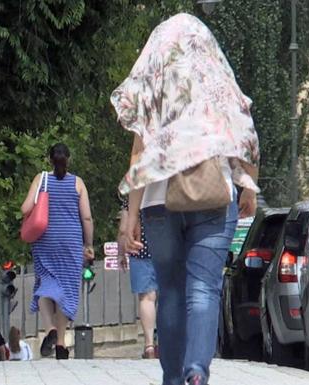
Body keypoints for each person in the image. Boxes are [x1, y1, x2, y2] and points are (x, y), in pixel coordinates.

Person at [111, 13, 260, 385]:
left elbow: (138, 154)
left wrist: (130, 216)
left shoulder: (154, 85)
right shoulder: (217, 83)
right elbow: (246, 134)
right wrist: (248, 187)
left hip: (158, 204)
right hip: (213, 195)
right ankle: (197, 371)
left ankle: (173, 380)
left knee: (170, 288)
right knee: (204, 288)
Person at [21, 143, 94, 360]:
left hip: (45, 240)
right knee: (66, 290)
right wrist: (88, 245)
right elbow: (87, 218)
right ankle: (61, 344)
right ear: (68, 159)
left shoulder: (41, 179)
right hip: (71, 243)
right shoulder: (78, 183)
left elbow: (25, 208)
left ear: (49, 159)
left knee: (45, 284)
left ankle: (50, 329)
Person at [117, 197, 158, 359]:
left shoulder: (134, 194)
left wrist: (121, 252)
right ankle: (167, 344)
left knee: (147, 298)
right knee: (169, 297)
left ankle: (149, 346)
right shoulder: (169, 182)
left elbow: (123, 228)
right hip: (169, 247)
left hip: (140, 249)